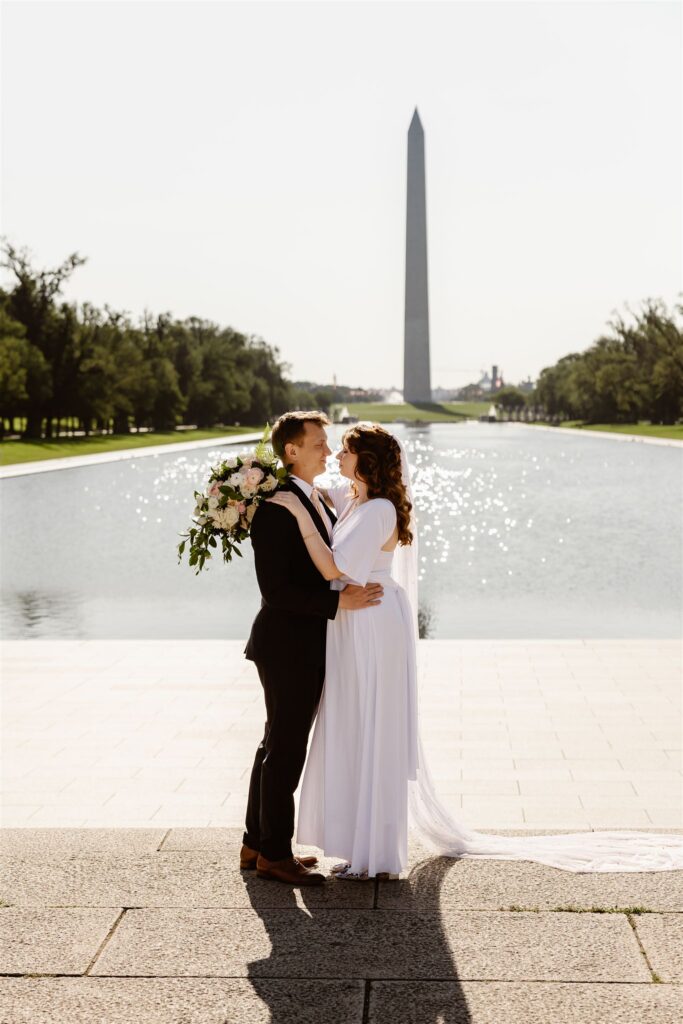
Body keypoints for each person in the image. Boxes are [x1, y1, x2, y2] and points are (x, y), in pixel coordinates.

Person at [268, 421, 683, 877]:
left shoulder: (379, 509)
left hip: (369, 620)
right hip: (352, 622)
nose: (335, 457)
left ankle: (378, 853)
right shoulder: (355, 499)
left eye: (344, 450)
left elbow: (341, 566)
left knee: (375, 728)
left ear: (365, 461)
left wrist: (302, 522)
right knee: (357, 727)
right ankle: (354, 842)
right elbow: (317, 492)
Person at [242, 411, 384, 886]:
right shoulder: (276, 508)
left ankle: (256, 842)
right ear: (292, 451)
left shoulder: (317, 498)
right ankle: (275, 855)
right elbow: (275, 590)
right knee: (284, 747)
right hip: (286, 643)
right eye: (319, 443)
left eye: (328, 444)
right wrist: (337, 602)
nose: (327, 451)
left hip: (303, 642)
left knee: (275, 740)